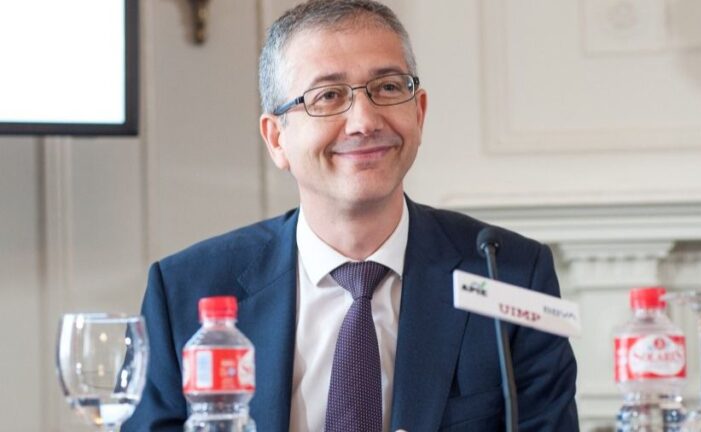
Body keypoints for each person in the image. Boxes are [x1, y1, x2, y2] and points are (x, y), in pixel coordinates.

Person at [124, 0, 579, 431]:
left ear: (418, 112)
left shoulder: (512, 274)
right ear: (276, 139)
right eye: (328, 96)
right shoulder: (186, 290)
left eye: (387, 88)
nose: (364, 121)